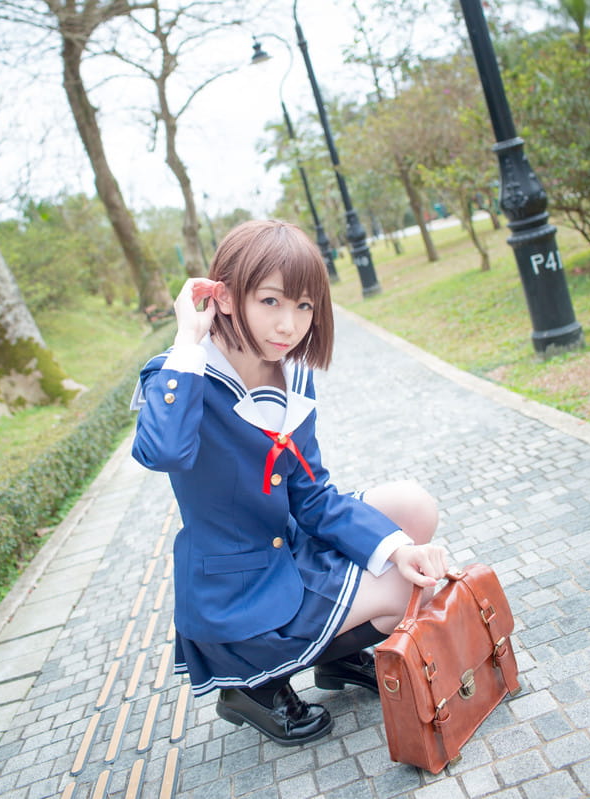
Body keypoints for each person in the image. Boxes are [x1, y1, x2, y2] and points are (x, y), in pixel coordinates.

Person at [131, 219, 448, 746]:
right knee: (403, 589)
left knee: (413, 510)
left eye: (303, 306)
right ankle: (252, 688)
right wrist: (187, 340)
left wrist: (396, 548)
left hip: (289, 549)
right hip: (237, 591)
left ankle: (338, 658)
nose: (289, 325)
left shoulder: (293, 374)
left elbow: (313, 496)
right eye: (270, 301)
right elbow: (163, 451)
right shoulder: (182, 374)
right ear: (226, 298)